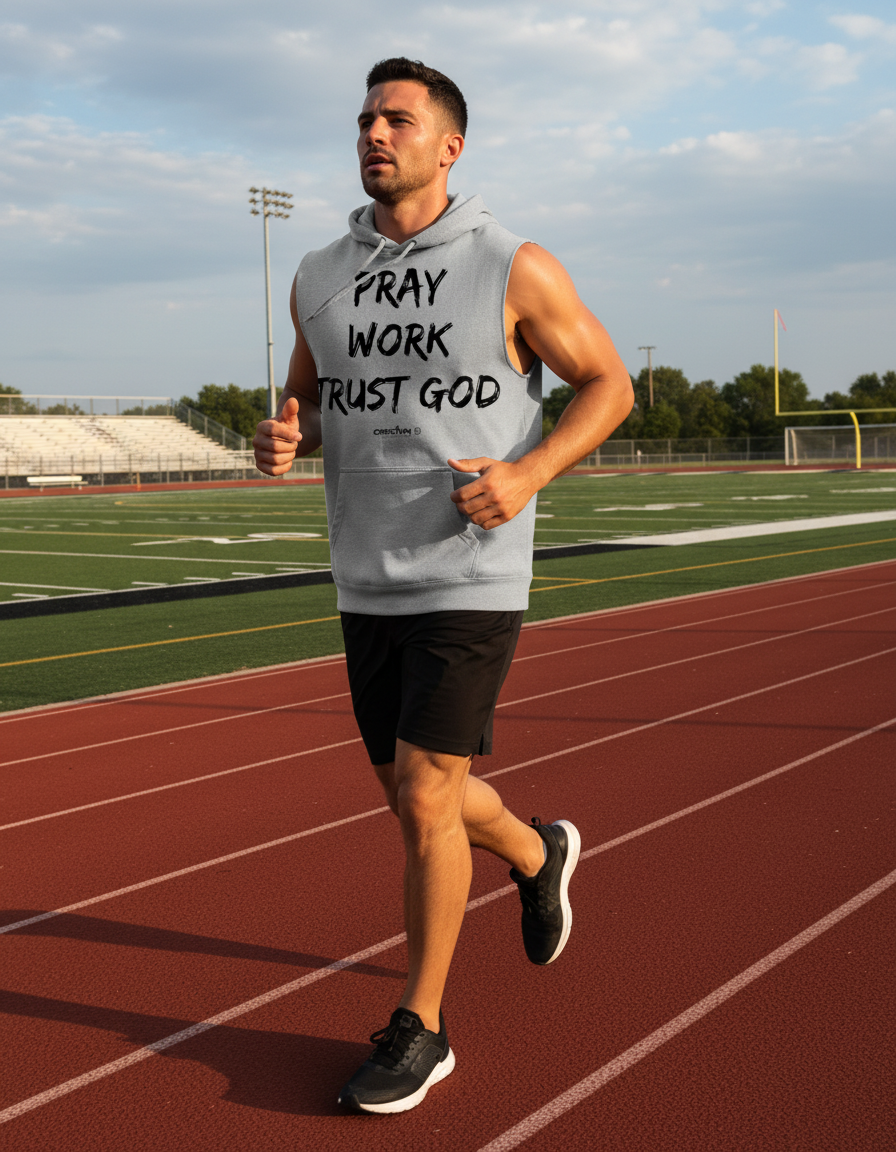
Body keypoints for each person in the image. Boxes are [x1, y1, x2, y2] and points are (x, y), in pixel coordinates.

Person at [253, 57, 633, 1115]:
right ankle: (531, 845)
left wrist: (528, 471)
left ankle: (420, 1027)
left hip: (470, 569)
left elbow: (610, 382)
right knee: (415, 792)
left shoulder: (511, 263)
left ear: (447, 146)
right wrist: (288, 435)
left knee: (423, 794)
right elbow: (310, 402)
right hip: (363, 571)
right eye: (366, 118)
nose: (375, 132)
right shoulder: (318, 272)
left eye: (398, 119)